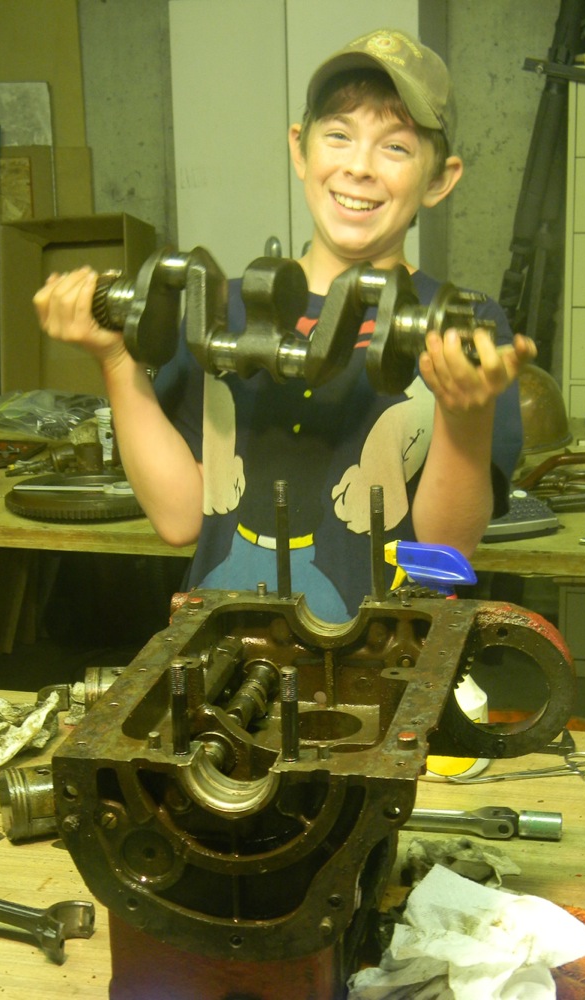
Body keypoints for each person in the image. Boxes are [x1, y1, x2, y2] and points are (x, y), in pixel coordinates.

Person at [34, 27, 536, 623]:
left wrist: (466, 416)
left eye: (396, 148)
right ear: (301, 149)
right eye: (339, 136)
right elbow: (178, 518)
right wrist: (116, 360)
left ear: (439, 179)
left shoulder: (463, 330)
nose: (359, 167)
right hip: (225, 644)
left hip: (385, 654)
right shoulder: (225, 311)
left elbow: (447, 547)